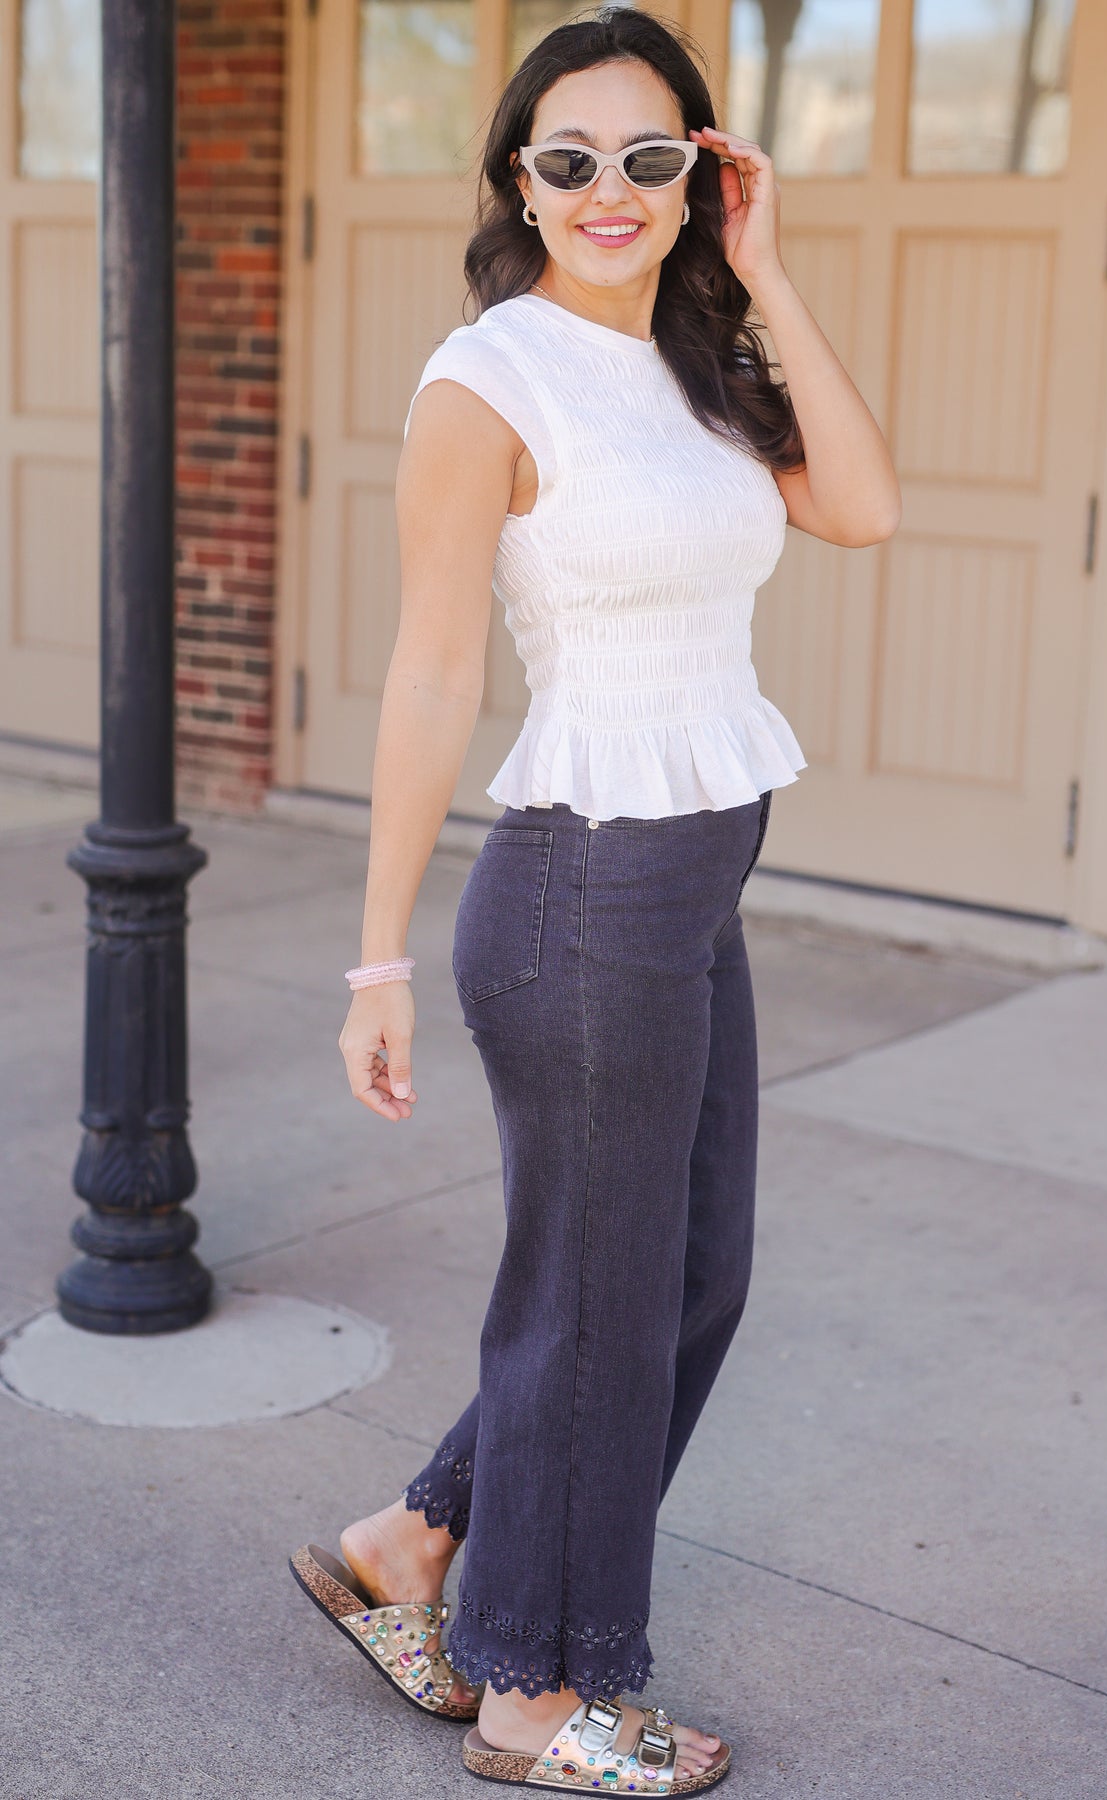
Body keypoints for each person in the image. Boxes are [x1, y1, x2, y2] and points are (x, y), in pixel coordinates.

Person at [290, 8, 900, 1790]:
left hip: (693, 875)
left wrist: (765, 266)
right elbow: (426, 674)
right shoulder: (491, 379)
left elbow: (858, 502)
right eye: (572, 160)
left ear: (701, 176)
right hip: (578, 899)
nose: (610, 192)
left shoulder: (701, 366)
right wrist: (374, 958)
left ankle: (416, 1547)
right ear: (518, 179)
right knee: (597, 1307)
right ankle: (540, 1693)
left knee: (687, 1279)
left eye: (654, 159)